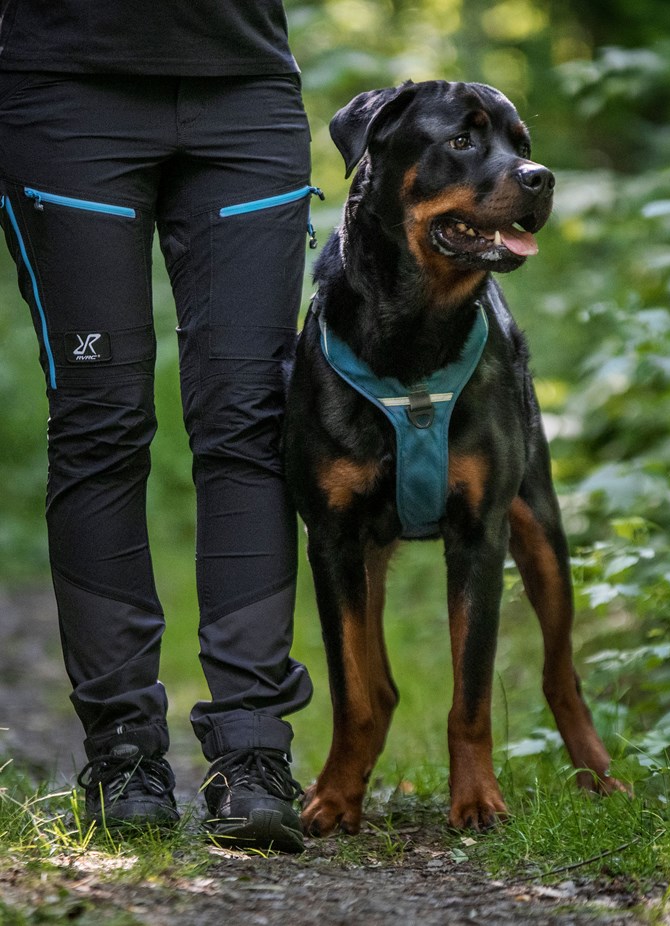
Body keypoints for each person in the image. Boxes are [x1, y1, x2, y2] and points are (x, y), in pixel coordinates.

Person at [0, 1, 316, 853]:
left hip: (245, 87)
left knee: (250, 418)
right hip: (66, 93)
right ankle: (125, 756)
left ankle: (253, 754)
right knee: (100, 421)